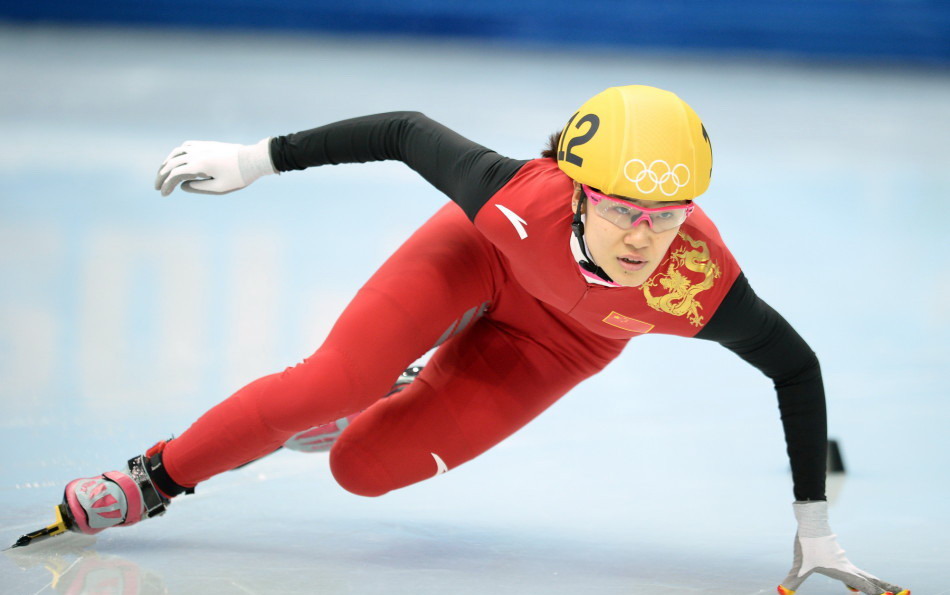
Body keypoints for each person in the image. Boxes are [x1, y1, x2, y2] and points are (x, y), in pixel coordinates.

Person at [58, 85, 907, 595]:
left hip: (565, 342)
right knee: (332, 383)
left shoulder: (700, 285)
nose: (642, 237)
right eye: (618, 207)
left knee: (360, 465)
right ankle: (155, 475)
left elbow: (795, 367)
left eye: (664, 215)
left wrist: (815, 527)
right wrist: (256, 158)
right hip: (479, 258)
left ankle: (391, 391)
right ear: (576, 191)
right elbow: (401, 130)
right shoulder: (510, 196)